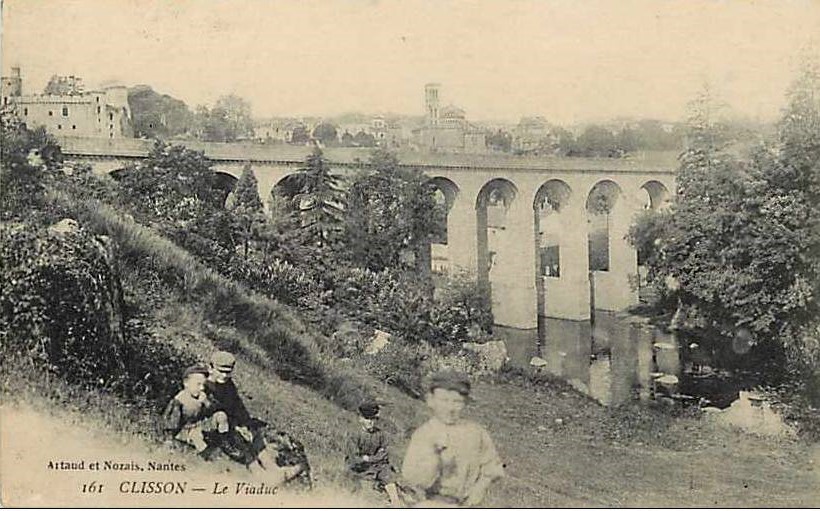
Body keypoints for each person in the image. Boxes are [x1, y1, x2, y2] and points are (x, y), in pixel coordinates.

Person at [401, 370, 504, 507]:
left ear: (466, 402)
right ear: (431, 400)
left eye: (457, 402)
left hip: (465, 504)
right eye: (444, 400)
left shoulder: (475, 432)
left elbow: (492, 466)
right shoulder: (425, 434)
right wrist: (435, 456)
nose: (450, 408)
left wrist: (480, 487)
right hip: (431, 502)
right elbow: (414, 479)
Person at [162, 364, 229, 456]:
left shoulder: (202, 395)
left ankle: (225, 440)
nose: (202, 388)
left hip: (200, 424)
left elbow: (213, 409)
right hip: (186, 429)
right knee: (196, 436)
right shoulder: (180, 400)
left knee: (221, 415)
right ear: (186, 383)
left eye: (203, 385)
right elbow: (172, 422)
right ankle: (206, 456)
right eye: (198, 384)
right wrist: (169, 438)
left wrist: (206, 402)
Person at [345, 402, 401, 506]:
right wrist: (370, 459)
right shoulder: (354, 434)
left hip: (377, 466)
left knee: (389, 476)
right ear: (360, 419)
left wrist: (369, 459)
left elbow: (384, 453)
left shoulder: (380, 434)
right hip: (360, 468)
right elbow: (355, 457)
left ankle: (396, 502)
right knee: (366, 494)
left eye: (373, 419)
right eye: (367, 419)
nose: (371, 423)